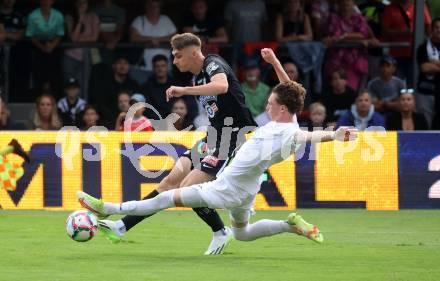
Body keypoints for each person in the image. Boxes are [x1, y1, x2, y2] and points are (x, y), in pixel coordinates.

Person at [77, 49, 359, 251]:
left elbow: (307, 137)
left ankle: (108, 209)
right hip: (244, 183)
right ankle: (289, 225)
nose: (266, 105)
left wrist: (334, 134)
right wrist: (274, 61)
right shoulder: (289, 116)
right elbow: (289, 89)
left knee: (169, 197)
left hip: (228, 176)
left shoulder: (288, 131)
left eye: (271, 103)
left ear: (281, 108)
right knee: (242, 232)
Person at [97, 33, 257, 255]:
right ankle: (122, 226)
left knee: (187, 190)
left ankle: (222, 229)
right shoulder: (197, 78)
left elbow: (221, 86)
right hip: (213, 137)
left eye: (178, 56)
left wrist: (183, 91)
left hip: (231, 137)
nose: (174, 62)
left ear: (193, 53)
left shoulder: (213, 63)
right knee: (170, 182)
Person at [323, 0, 376, 90]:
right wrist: (354, 39)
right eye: (343, 3)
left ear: (353, 4)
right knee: (336, 90)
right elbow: (334, 37)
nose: (345, 5)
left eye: (348, 3)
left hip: (355, 63)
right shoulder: (333, 18)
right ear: (339, 5)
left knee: (352, 91)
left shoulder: (358, 18)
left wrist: (344, 36)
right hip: (336, 62)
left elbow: (362, 35)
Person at [381, 0, 432, 85]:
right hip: (396, 56)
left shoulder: (420, 6)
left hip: (415, 54)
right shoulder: (390, 9)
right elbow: (384, 31)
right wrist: (402, 32)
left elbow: (429, 28)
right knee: (395, 84)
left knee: (413, 84)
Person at [26, 0, 65, 98]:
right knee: (39, 80)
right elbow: (30, 35)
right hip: (38, 49)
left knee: (55, 79)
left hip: (54, 48)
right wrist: (42, 47)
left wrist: (52, 46)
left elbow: (60, 33)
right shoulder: (33, 16)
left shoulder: (58, 15)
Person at [89, 55, 139, 128]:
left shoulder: (133, 85)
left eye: (125, 63)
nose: (122, 66)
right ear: (113, 66)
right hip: (109, 120)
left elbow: (137, 104)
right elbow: (101, 105)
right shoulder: (105, 84)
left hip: (130, 118)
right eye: (119, 63)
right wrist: (116, 118)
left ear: (129, 66)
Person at [64, 0, 100, 94]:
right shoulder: (69, 17)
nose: (81, 5)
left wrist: (78, 39)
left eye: (84, 3)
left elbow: (94, 37)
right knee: (69, 84)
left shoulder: (93, 17)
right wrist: (80, 18)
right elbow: (73, 38)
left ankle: (83, 107)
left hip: (86, 56)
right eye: (79, 3)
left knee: (83, 85)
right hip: (70, 56)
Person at [130, 0, 177, 71]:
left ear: (159, 8)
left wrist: (157, 40)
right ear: (146, 7)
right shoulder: (139, 20)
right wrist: (151, 39)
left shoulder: (165, 20)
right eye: (150, 6)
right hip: (143, 66)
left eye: (156, 6)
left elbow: (176, 38)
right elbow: (133, 37)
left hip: (164, 66)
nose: (153, 9)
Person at [416, 17, 440, 129]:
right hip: (426, 92)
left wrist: (435, 64)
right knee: (425, 125)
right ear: (431, 29)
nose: (439, 30)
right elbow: (425, 68)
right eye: (436, 27)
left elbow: (430, 67)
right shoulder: (423, 48)